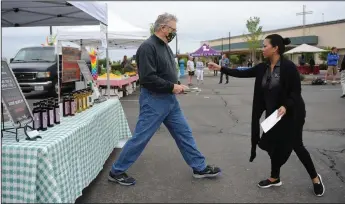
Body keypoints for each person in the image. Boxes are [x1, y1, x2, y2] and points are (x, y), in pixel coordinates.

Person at [108, 13, 221, 186]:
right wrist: (172, 86)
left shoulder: (166, 47)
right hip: (154, 100)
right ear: (162, 28)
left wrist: (176, 86)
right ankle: (116, 171)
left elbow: (166, 72)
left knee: (184, 133)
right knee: (141, 137)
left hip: (169, 100)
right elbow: (147, 78)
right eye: (173, 30)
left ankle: (199, 167)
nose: (174, 33)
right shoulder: (148, 47)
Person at [208, 34, 325, 197]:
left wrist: (286, 105)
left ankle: (315, 179)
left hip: (292, 112)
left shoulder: (288, 67)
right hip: (274, 114)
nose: (262, 49)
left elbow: (296, 93)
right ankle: (274, 177)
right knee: (272, 144)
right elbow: (243, 72)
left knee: (296, 145)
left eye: (265, 46)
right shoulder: (262, 67)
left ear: (275, 48)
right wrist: (220, 68)